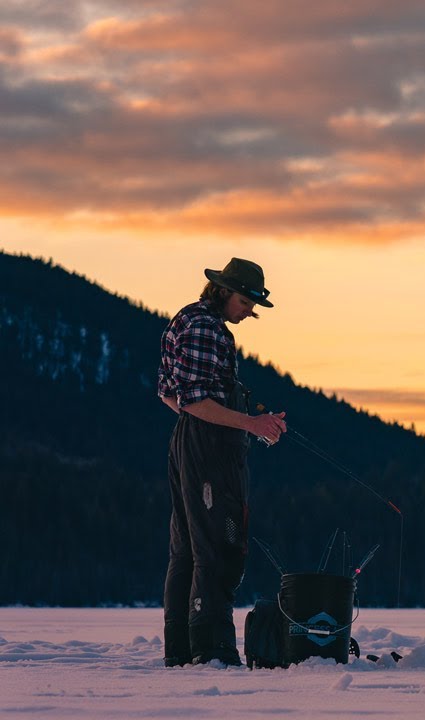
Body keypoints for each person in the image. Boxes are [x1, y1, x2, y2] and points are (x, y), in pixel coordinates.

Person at [156, 258, 287, 667]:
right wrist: (249, 423)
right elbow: (193, 400)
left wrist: (240, 424)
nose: (249, 311)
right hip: (206, 449)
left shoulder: (191, 321)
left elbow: (169, 394)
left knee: (188, 549)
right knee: (217, 546)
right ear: (225, 291)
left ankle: (182, 649)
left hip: (192, 443)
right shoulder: (205, 328)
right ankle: (211, 650)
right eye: (247, 301)